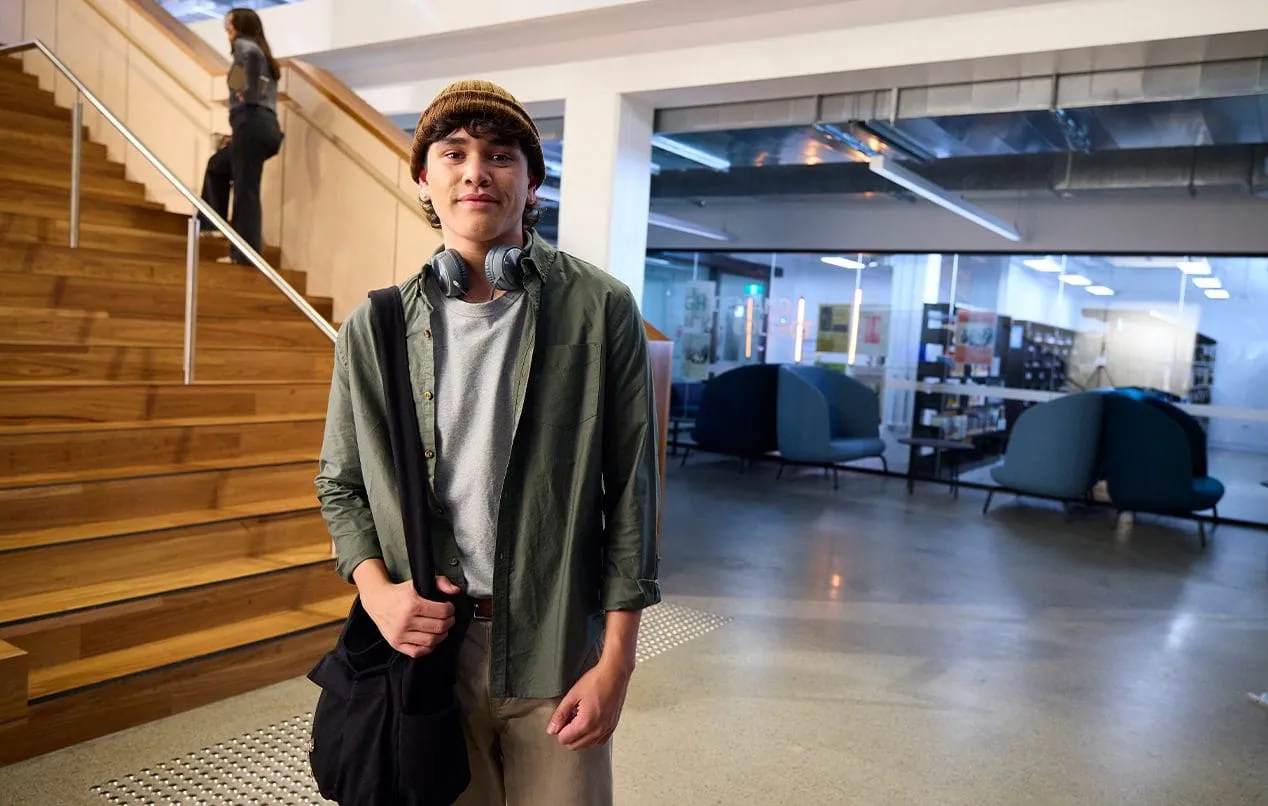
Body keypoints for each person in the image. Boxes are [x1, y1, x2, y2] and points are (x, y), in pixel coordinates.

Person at [314, 79, 662, 805]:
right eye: (454, 152)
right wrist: (378, 595)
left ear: (531, 180)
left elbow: (632, 493)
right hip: (428, 656)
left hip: (559, 644)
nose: (477, 171)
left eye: (501, 155)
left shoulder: (599, 310)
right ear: (424, 177)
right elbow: (341, 485)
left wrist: (617, 665)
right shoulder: (371, 330)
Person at [216, 7, 284, 264]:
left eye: (229, 25)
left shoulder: (246, 48)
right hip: (261, 126)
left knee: (246, 190)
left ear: (238, 28)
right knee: (218, 166)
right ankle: (211, 223)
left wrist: (249, 97)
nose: (227, 31)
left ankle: (244, 254)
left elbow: (249, 83)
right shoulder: (260, 52)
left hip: (252, 121)